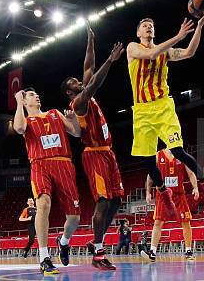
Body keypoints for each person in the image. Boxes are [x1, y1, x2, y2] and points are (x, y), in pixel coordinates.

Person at [126, 12, 204, 217]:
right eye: (145, 26)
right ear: (138, 32)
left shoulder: (166, 52)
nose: (148, 27)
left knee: (177, 150)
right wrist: (178, 36)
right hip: (141, 110)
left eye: (151, 25)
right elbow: (150, 55)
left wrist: (200, 27)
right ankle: (163, 191)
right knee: (148, 159)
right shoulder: (132, 47)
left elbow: (189, 52)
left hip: (163, 107)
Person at [61, 26, 125, 270]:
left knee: (117, 201)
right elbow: (93, 83)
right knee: (102, 202)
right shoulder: (79, 102)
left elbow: (88, 68)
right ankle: (98, 252)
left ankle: (94, 242)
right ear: (70, 92)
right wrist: (110, 59)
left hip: (108, 153)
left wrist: (90, 40)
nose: (79, 81)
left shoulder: (83, 91)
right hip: (94, 155)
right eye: (74, 83)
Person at [13, 89, 81, 275]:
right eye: (31, 95)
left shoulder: (55, 114)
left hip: (64, 164)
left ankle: (64, 241)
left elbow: (76, 132)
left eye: (37, 94)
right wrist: (19, 103)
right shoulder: (26, 120)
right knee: (42, 204)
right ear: (25, 102)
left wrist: (74, 118)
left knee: (74, 218)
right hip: (40, 165)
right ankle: (44, 258)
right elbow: (18, 128)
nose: (37, 96)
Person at [141, 148, 199, 262]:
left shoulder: (181, 155)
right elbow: (150, 175)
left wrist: (195, 188)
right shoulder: (159, 155)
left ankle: (188, 251)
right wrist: (148, 192)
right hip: (163, 194)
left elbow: (191, 173)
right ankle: (152, 252)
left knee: (186, 222)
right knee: (158, 222)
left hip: (179, 194)